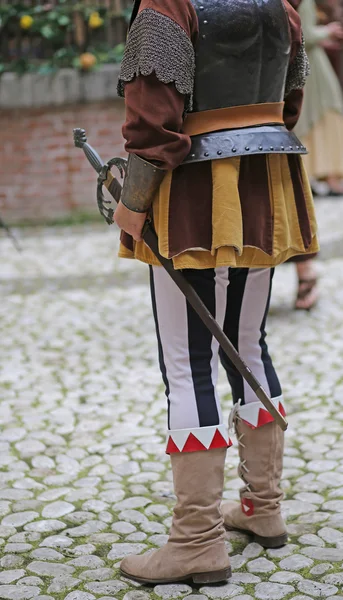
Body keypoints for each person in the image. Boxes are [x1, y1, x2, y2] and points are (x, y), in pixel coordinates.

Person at [113, 0, 319, 585]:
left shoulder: (169, 4)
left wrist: (132, 203)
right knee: (247, 344)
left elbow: (154, 121)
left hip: (193, 191)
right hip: (262, 179)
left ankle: (197, 540)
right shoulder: (280, 4)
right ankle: (262, 507)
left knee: (189, 363)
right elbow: (291, 100)